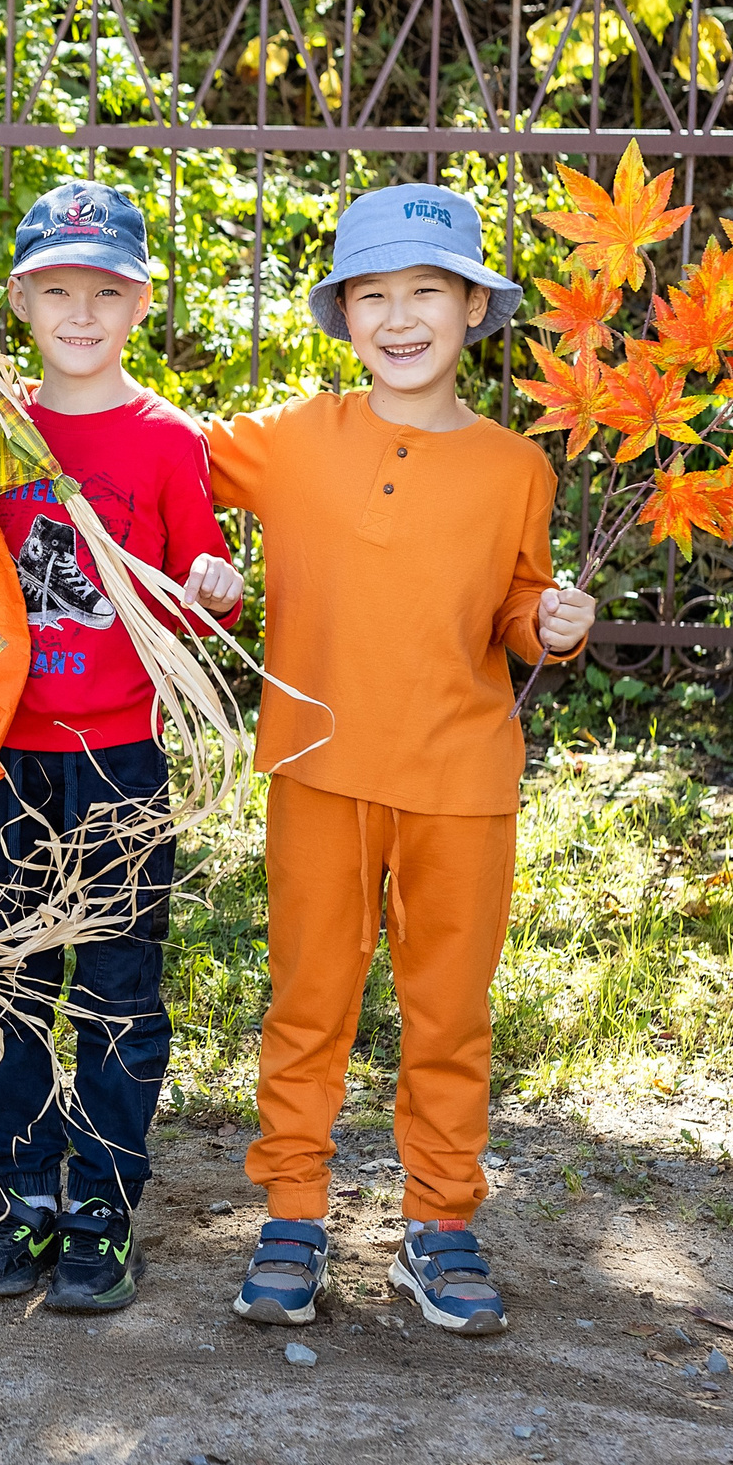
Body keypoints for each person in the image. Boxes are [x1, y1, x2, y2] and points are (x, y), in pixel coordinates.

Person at [206, 182, 595, 1337]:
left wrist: (550, 624)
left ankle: (439, 1225)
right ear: (343, 316)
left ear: (472, 307)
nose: (398, 317)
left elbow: (517, 607)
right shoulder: (289, 441)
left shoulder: (516, 467)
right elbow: (153, 461)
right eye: (370, 295)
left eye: (425, 291)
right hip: (318, 771)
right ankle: (292, 1215)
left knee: (448, 1015)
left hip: (459, 782)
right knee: (308, 1002)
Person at [0, 182, 245, 1312]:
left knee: (117, 981)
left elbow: (198, 588)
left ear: (140, 303)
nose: (80, 312)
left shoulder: (166, 440)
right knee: (7, 974)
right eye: (56, 290)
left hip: (118, 753)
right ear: (19, 301)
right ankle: (21, 1195)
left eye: (104, 292)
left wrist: (216, 583)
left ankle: (103, 1205)